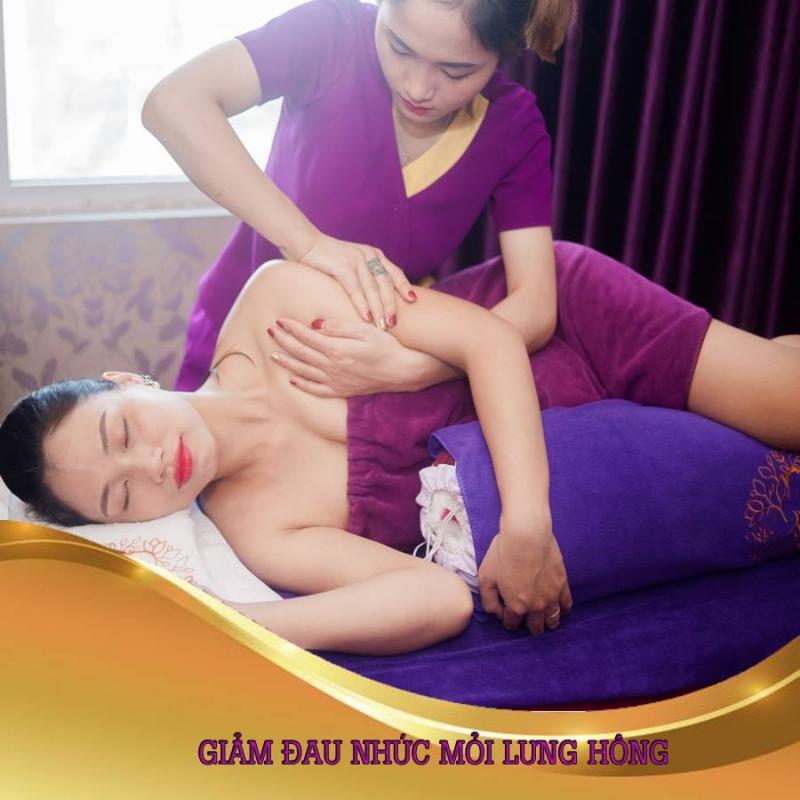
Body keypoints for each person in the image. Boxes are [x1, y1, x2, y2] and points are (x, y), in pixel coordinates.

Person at [2, 244, 799, 654]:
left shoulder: (272, 304)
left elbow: (490, 341)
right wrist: (239, 624)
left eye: (122, 431)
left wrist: (526, 524)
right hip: (588, 447)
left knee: (785, 404)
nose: (150, 465)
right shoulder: (257, 527)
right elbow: (438, 600)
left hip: (567, 330)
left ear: (128, 380)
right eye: (122, 497)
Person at [142, 0, 573, 394]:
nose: (418, 88)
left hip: (363, 372)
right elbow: (172, 103)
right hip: (237, 334)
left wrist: (415, 368)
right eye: (399, 48)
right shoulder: (330, 35)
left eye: (455, 72)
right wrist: (310, 244)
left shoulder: (513, 126)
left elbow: (535, 307)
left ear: (503, 53)